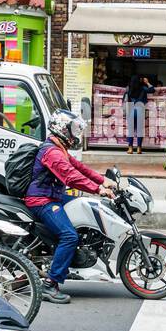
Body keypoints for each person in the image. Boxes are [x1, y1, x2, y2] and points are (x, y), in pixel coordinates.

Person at [24, 109, 117, 304]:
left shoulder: (60, 149)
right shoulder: (51, 152)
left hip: (53, 196)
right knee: (69, 235)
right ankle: (50, 284)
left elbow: (79, 168)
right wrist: (98, 189)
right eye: (72, 129)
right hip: (42, 200)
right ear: (62, 130)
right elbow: (70, 177)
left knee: (85, 207)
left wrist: (103, 180)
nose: (75, 134)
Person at [125, 75, 155, 154]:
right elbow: (152, 90)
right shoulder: (143, 88)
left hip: (131, 110)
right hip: (140, 109)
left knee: (131, 130)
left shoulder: (128, 89)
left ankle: (130, 148)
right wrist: (147, 82)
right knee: (139, 131)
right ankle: (139, 148)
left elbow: (125, 99)